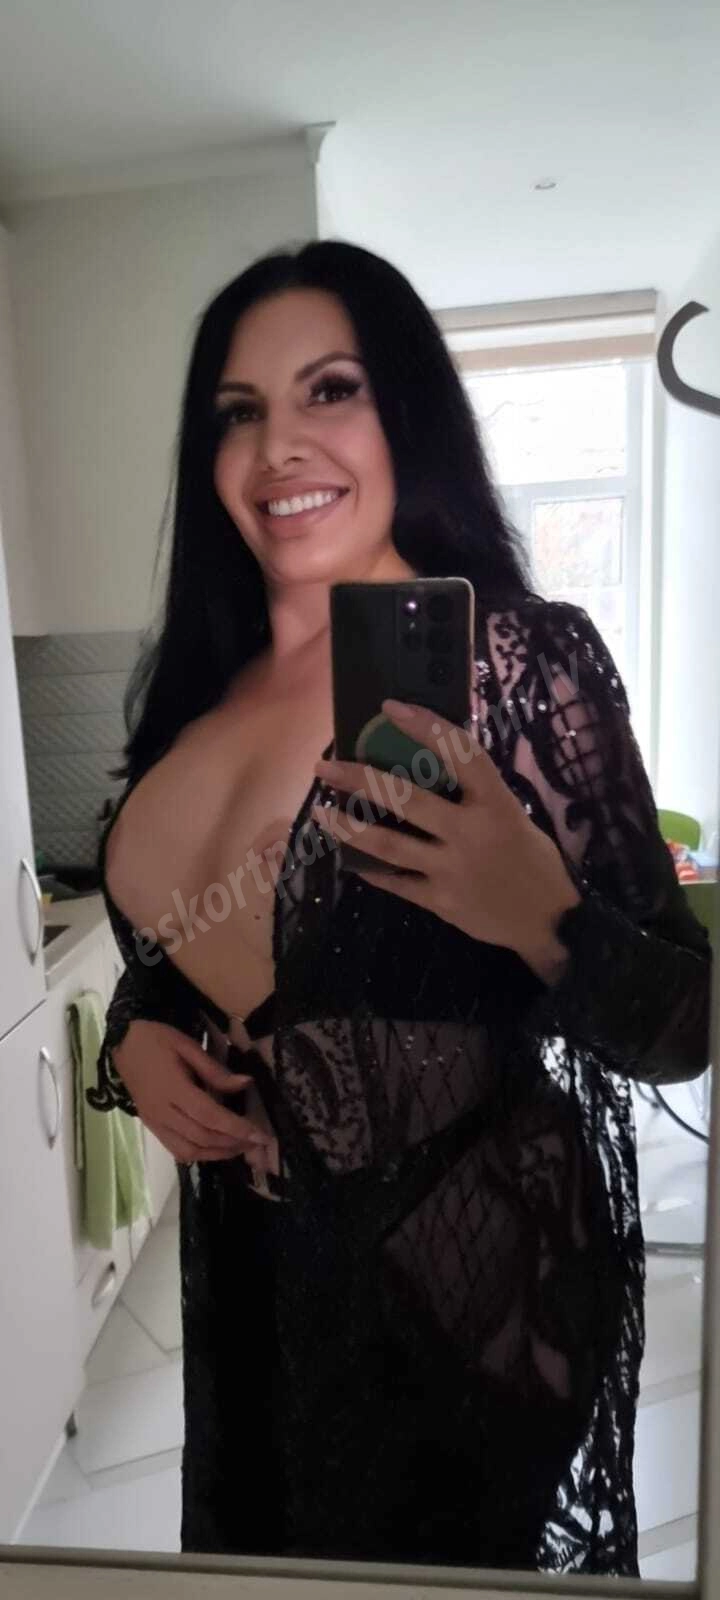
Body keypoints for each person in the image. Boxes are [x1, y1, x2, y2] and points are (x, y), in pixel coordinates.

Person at [89, 239, 712, 1575]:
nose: (278, 447)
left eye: (332, 389)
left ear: (406, 414)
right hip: (250, 1297)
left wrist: (539, 911)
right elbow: (202, 948)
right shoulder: (195, 691)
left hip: (466, 1308)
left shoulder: (516, 663)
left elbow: (684, 1025)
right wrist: (136, 1032)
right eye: (238, 411)